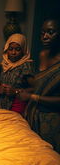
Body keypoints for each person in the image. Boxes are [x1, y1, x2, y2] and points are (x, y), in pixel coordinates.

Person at [21, 18, 60, 153]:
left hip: (53, 120)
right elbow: (43, 87)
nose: (45, 37)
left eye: (50, 32)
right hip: (34, 115)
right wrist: (28, 91)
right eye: (43, 32)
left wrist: (33, 96)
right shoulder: (42, 54)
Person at [0, 33, 34, 115]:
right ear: (7, 49)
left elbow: (35, 88)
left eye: (18, 49)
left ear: (23, 50)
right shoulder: (4, 64)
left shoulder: (26, 66)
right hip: (2, 105)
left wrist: (16, 91)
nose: (13, 52)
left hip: (17, 105)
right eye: (10, 49)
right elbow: (0, 81)